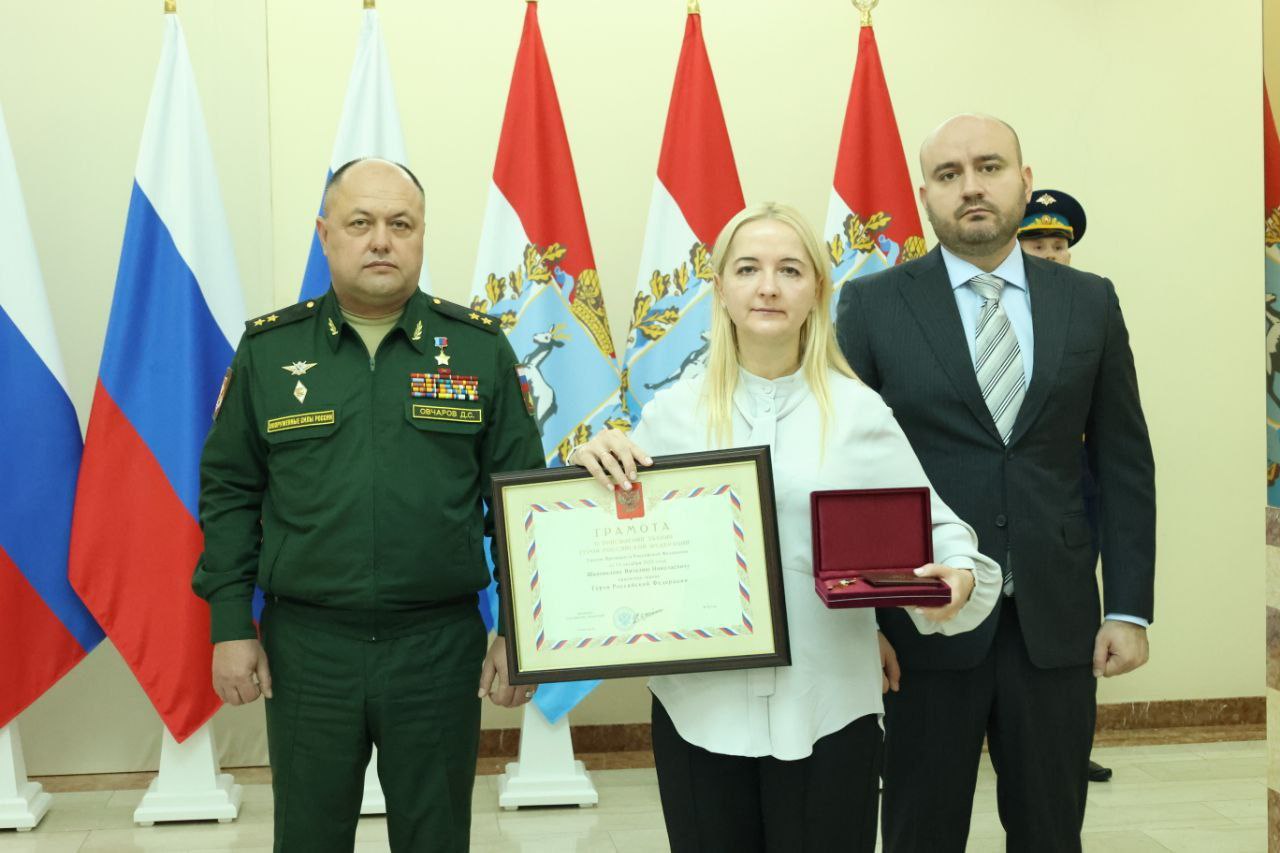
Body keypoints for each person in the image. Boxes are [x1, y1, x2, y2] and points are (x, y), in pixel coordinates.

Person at [573, 202, 1001, 853]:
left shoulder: (858, 413)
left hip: (830, 707)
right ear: (720, 289)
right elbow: (619, 539)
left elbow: (937, 529)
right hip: (699, 712)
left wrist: (958, 577)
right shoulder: (672, 414)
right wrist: (590, 469)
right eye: (748, 268)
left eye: (790, 270)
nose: (768, 286)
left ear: (817, 291)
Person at [191, 158, 544, 853]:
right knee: (308, 839)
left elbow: (521, 500)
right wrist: (231, 623)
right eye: (360, 223)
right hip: (308, 649)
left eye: (400, 224)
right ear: (325, 235)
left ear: (421, 236)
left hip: (437, 646)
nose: (381, 240)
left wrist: (519, 629)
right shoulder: (270, 350)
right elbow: (229, 493)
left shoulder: (477, 349)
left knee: (436, 838)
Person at [836, 115, 1156, 852]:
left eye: (989, 167)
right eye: (948, 175)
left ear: (1024, 180)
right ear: (925, 195)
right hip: (923, 621)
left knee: (1051, 831)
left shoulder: (1090, 300)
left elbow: (1124, 461)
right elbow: (848, 471)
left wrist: (1129, 607)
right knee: (920, 831)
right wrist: (864, 621)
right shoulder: (874, 304)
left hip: (1058, 621)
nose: (971, 187)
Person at [1017, 188, 1112, 784]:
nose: (1050, 255)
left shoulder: (1088, 308)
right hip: (1002, 485)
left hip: (1073, 483)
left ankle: (1070, 745)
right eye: (1037, 244)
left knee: (1071, 616)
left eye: (1059, 245)